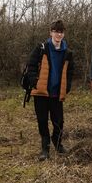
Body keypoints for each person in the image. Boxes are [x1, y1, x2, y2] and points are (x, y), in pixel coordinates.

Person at [27, 20, 74, 161]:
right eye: (56, 31)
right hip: (41, 93)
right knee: (42, 120)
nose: (58, 34)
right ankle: (45, 148)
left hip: (56, 93)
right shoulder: (41, 48)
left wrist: (67, 87)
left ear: (63, 34)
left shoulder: (68, 52)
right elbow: (31, 65)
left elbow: (71, 71)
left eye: (61, 32)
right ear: (51, 32)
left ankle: (58, 143)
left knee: (59, 121)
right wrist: (35, 82)